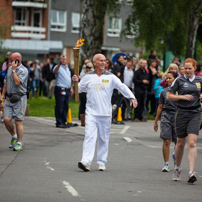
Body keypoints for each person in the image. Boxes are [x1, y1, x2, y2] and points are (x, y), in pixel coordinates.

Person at [72, 53, 138, 172]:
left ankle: (101, 161)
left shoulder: (111, 77)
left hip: (105, 113)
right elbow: (78, 90)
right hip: (91, 112)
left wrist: (132, 97)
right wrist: (75, 82)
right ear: (95, 63)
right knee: (89, 137)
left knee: (103, 138)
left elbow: (122, 87)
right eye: (100, 61)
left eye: (104, 61)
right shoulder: (88, 77)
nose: (103, 63)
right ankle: (86, 161)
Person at [167, 58, 202, 183]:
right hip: (181, 112)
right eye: (185, 68)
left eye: (189, 68)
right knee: (180, 143)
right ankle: (177, 168)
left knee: (192, 143)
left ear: (194, 68)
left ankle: (191, 172)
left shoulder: (199, 80)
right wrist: (181, 96)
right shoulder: (179, 80)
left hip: (195, 113)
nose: (187, 71)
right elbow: (169, 95)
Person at [0, 52, 28, 151]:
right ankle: (14, 136)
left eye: (11, 60)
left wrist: (14, 70)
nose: (10, 62)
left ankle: (19, 142)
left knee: (18, 121)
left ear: (17, 61)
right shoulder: (9, 69)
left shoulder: (24, 71)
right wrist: (3, 95)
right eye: (9, 60)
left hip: (19, 98)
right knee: (6, 119)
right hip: (9, 98)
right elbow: (6, 82)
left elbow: (17, 82)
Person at [154, 71, 178, 172]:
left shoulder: (181, 91)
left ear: (175, 79)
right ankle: (166, 163)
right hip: (166, 115)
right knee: (166, 140)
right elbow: (160, 106)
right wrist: (155, 121)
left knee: (178, 141)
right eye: (166, 78)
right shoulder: (164, 91)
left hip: (178, 116)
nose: (167, 80)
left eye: (170, 78)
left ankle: (177, 161)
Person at [53, 55, 74, 128]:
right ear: (60, 60)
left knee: (65, 106)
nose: (63, 60)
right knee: (60, 106)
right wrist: (59, 64)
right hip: (60, 89)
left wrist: (71, 87)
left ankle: (63, 121)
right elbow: (55, 71)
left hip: (67, 89)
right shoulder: (57, 67)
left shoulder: (67, 68)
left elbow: (69, 79)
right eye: (62, 59)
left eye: (65, 59)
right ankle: (59, 122)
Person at [79, 62, 94, 126]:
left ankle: (89, 121)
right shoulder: (83, 74)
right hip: (83, 92)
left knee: (90, 106)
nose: (89, 69)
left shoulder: (94, 74)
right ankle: (83, 121)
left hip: (90, 92)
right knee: (83, 105)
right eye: (87, 67)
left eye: (90, 68)